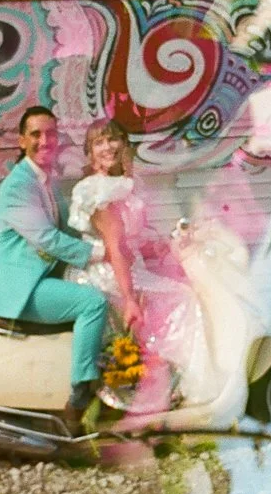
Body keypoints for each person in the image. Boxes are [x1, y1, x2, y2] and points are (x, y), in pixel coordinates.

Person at [65, 118, 217, 413]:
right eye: (99, 142)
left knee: (183, 286)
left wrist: (180, 242)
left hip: (127, 268)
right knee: (182, 298)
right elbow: (116, 247)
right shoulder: (97, 190)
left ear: (124, 144)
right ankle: (174, 383)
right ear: (90, 153)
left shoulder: (125, 186)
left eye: (113, 139)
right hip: (106, 274)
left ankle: (165, 378)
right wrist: (130, 298)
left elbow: (139, 240)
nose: (108, 147)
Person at [0, 106, 109, 429]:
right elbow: (47, 239)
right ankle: (81, 391)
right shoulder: (18, 185)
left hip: (39, 279)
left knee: (106, 289)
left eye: (51, 134)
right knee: (94, 302)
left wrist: (113, 241)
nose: (44, 140)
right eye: (36, 134)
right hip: (21, 289)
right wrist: (98, 253)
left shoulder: (46, 180)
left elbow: (67, 231)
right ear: (22, 140)